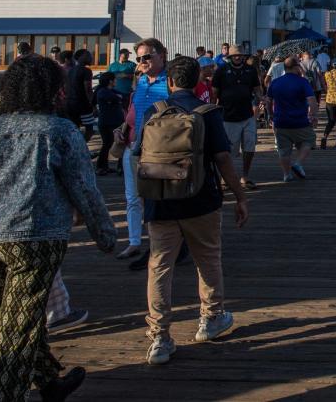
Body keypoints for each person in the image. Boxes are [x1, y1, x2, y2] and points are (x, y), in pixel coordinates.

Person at [0, 55, 116, 401]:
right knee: (14, 335)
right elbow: (84, 189)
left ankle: (48, 382)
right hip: (35, 240)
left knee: (13, 319)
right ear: (53, 91)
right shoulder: (60, 131)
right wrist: (105, 235)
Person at [143, 56, 249, 365]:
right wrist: (240, 196)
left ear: (170, 82)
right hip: (200, 200)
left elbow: (139, 154)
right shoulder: (207, 113)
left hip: (160, 201)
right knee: (208, 259)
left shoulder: (155, 111)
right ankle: (210, 318)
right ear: (198, 82)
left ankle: (160, 336)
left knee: (160, 267)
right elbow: (224, 160)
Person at [120, 38, 171, 263]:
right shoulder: (140, 82)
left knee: (155, 198)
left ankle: (157, 245)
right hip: (133, 145)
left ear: (162, 55)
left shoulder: (169, 81)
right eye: (139, 58)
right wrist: (121, 128)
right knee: (132, 197)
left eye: (147, 56)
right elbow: (132, 112)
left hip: (157, 149)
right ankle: (134, 242)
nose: (143, 61)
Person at [211, 45, 261, 190]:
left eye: (240, 55)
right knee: (230, 151)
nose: (238, 57)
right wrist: (213, 110)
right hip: (228, 116)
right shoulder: (221, 71)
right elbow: (215, 92)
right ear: (230, 57)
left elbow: (257, 88)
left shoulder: (250, 70)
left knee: (250, 147)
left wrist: (260, 98)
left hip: (247, 115)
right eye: (235, 56)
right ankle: (226, 179)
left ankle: (245, 176)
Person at [267, 57, 320, 182]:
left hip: (280, 122)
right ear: (296, 67)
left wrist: (270, 115)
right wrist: (313, 115)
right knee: (310, 139)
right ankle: (298, 163)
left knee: (283, 150)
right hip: (300, 121)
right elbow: (312, 101)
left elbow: (269, 101)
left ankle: (286, 175)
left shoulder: (275, 82)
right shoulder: (302, 82)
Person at [94, 72, 122, 175]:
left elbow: (121, 96)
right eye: (115, 79)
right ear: (110, 81)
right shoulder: (102, 91)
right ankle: (101, 167)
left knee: (113, 144)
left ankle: (111, 167)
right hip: (107, 122)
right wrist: (118, 97)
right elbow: (117, 98)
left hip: (114, 121)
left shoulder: (111, 90)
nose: (116, 81)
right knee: (107, 144)